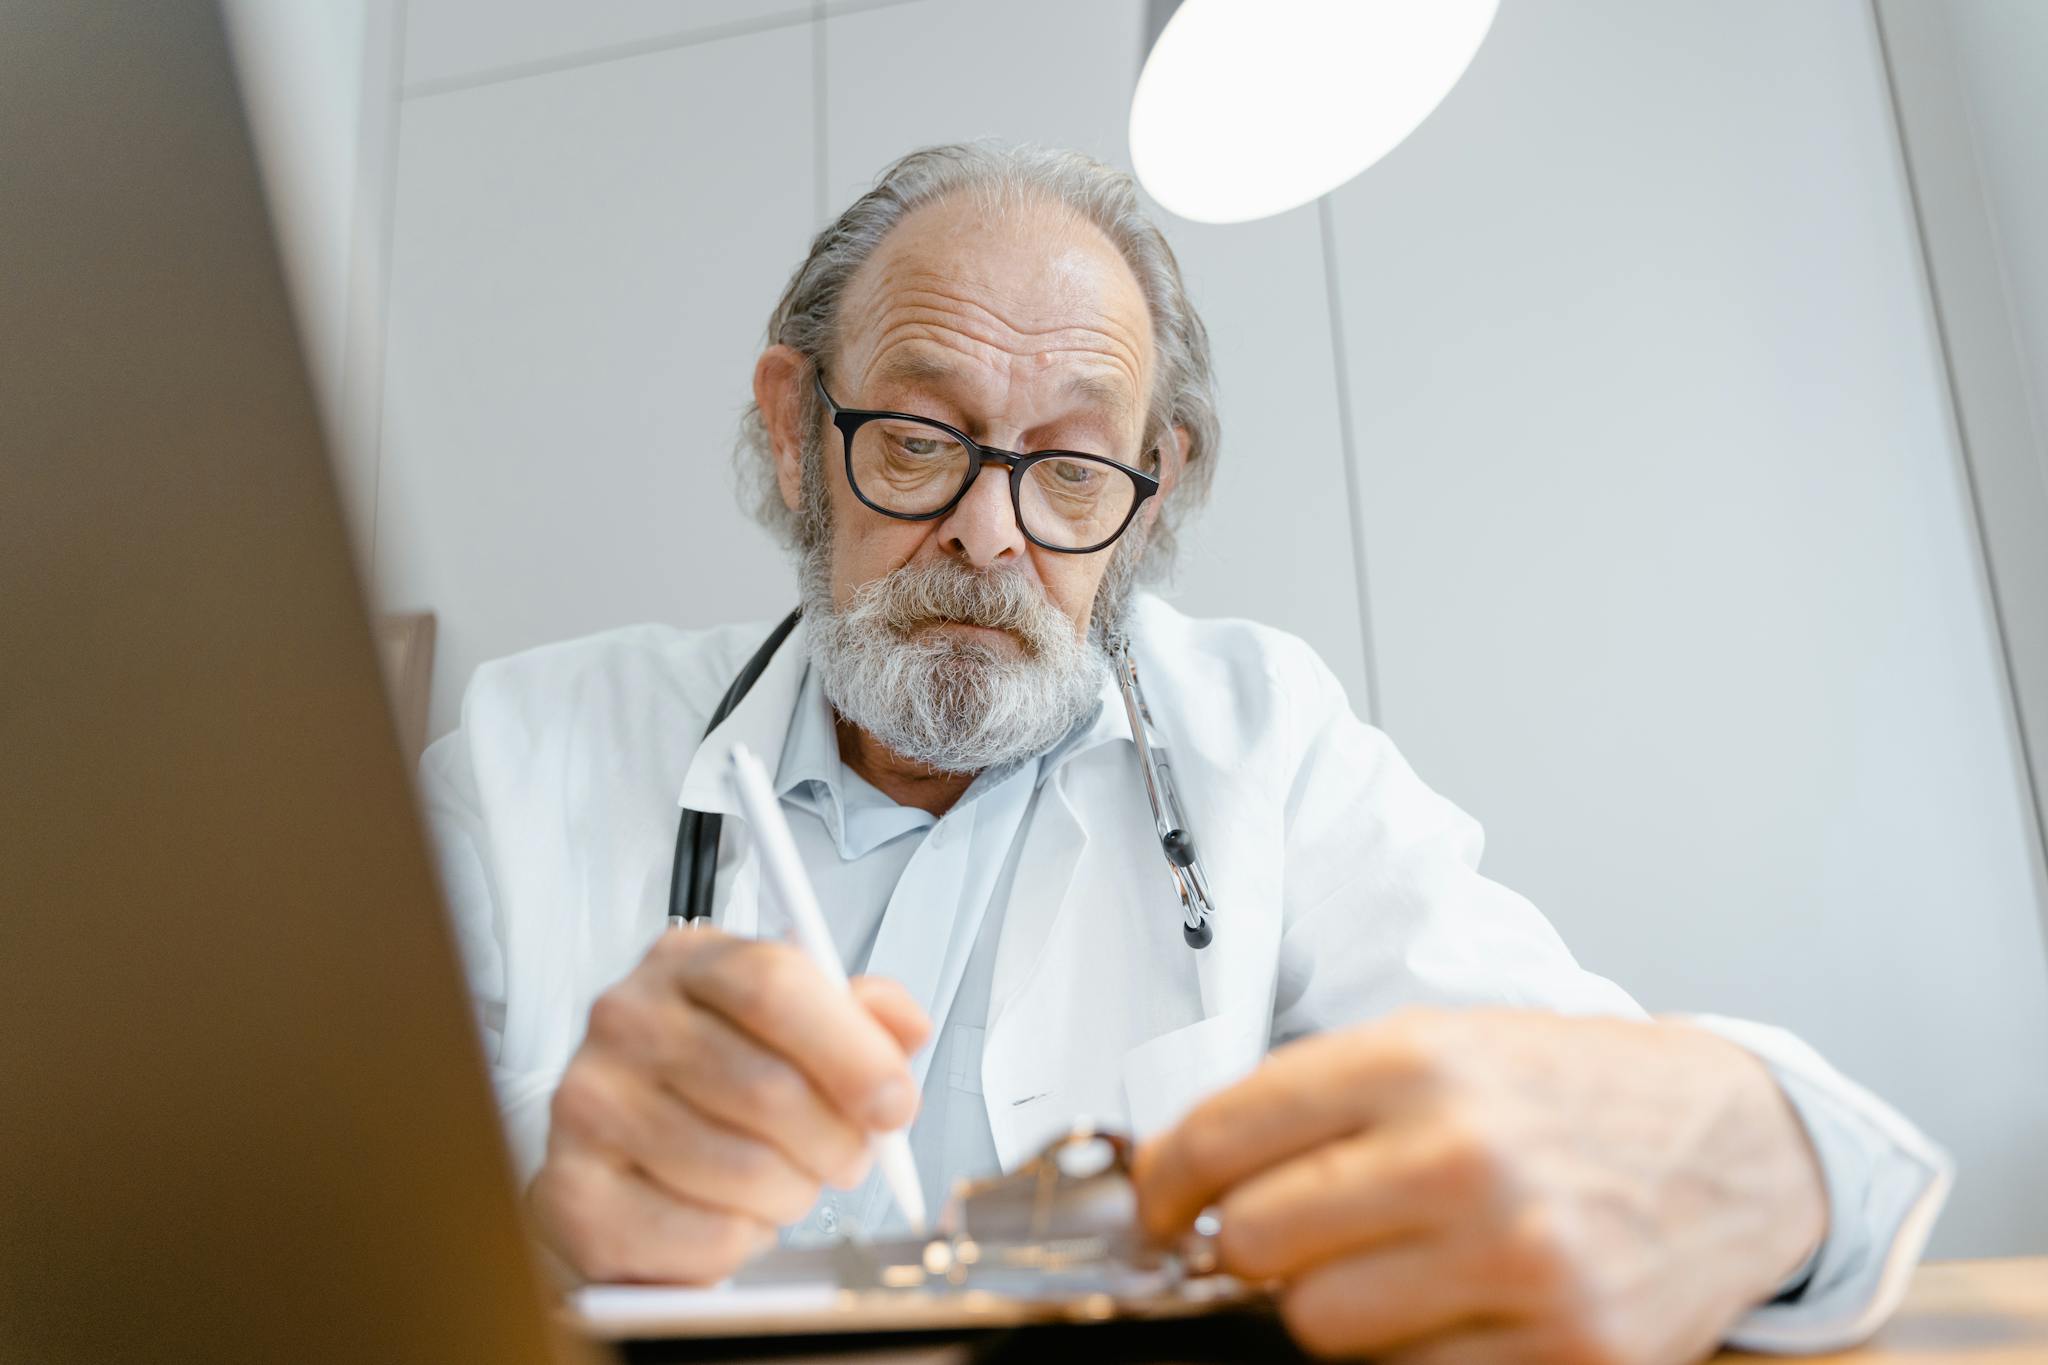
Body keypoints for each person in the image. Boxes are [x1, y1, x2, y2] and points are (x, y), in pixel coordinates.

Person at [422, 143, 1949, 1363]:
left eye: (1072, 467)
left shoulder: (1265, 745)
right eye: (915, 439)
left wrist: (1765, 1153)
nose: (988, 527)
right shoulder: (521, 756)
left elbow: (1582, 1103)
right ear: (792, 427)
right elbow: (269, 1249)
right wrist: (540, 1230)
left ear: (1153, 494)